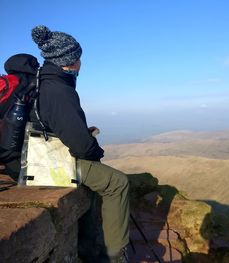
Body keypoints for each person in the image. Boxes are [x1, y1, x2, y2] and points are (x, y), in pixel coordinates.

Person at [27, 25, 129, 263]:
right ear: (69, 61)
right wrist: (94, 146)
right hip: (43, 160)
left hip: (38, 151)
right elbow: (82, 148)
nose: (81, 63)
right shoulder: (58, 90)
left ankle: (87, 244)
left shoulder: (44, 81)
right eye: (78, 58)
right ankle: (114, 256)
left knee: (98, 180)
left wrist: (84, 134)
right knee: (117, 183)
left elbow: (56, 124)